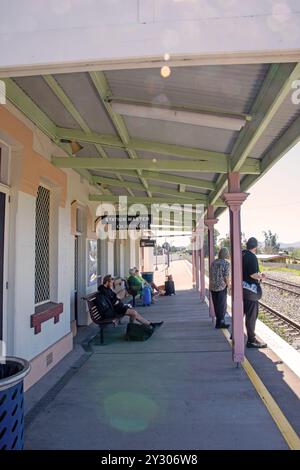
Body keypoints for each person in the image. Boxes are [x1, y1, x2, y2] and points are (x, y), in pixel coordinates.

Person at [97, 275, 163, 329]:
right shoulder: (103, 292)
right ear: (106, 282)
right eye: (111, 283)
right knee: (133, 313)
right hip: (114, 310)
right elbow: (112, 302)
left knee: (135, 313)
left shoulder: (107, 289)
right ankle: (131, 329)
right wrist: (117, 300)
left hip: (118, 307)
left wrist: (117, 299)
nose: (111, 284)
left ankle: (150, 324)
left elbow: (115, 297)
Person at [242, 237, 267, 348]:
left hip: (241, 288)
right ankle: (251, 340)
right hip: (250, 290)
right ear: (255, 247)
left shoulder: (242, 254)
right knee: (251, 316)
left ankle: (235, 334)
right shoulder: (251, 256)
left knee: (240, 313)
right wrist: (261, 276)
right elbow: (252, 274)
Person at [209, 247, 231, 329]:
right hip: (221, 287)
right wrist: (229, 286)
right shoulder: (226, 263)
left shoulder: (213, 263)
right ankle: (221, 322)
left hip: (212, 286)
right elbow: (226, 277)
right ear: (226, 254)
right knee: (222, 305)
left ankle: (218, 322)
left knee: (216, 305)